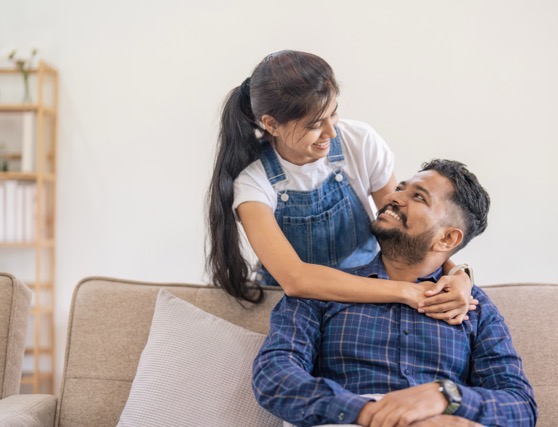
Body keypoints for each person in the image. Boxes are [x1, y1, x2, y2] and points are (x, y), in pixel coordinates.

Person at [252, 159, 537, 427]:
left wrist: (446, 395)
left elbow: (520, 405)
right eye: (401, 188)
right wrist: (368, 410)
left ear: (448, 238)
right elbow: (275, 376)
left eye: (418, 197)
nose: (393, 197)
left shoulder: (474, 307)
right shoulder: (321, 289)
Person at [206, 50, 474, 324]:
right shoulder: (253, 182)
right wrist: (406, 291)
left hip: (373, 286)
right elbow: (295, 279)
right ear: (271, 124)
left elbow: (403, 231)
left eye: (333, 114)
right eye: (314, 124)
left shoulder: (360, 142)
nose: (331, 133)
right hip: (295, 304)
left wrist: (458, 275)